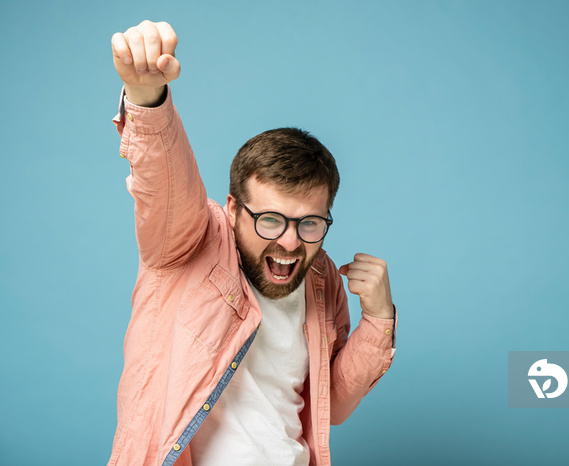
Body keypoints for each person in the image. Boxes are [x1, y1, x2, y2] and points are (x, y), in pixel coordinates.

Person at [108, 20, 397, 466]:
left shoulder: (322, 279)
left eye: (309, 224)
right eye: (269, 220)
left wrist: (378, 318)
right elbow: (166, 180)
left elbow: (331, 406)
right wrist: (149, 101)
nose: (289, 242)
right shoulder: (191, 239)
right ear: (234, 208)